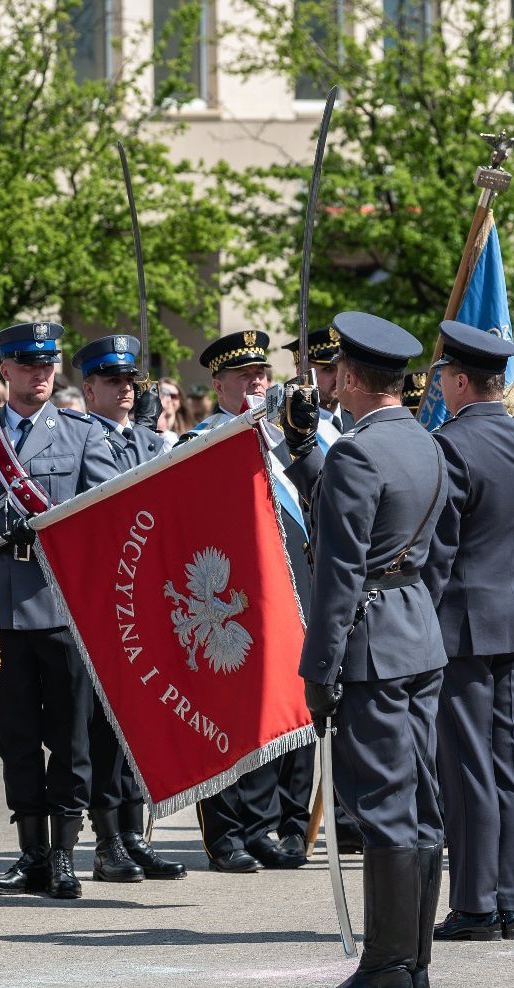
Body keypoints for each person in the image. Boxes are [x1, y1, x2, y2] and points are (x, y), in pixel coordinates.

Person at [299, 312, 448, 988]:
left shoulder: (355, 454)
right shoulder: (423, 442)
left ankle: (388, 974)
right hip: (416, 633)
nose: (331, 382)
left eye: (335, 373)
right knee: (418, 809)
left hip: (370, 646)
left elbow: (337, 573)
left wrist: (318, 669)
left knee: (385, 810)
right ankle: (410, 971)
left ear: (354, 377)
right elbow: (434, 554)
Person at [0, 321, 118, 899]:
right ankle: (30, 854)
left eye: (48, 365)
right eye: (27, 364)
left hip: (62, 608)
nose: (40, 374)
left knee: (70, 740)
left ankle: (65, 853)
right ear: (5, 370)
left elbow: (105, 517)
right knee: (15, 737)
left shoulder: (83, 433)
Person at [420, 322, 514, 942]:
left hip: (460, 624)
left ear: (462, 380)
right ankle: (507, 900)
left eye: (444, 375)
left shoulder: (449, 445)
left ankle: (474, 905)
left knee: (466, 768)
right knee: (505, 766)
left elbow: (438, 550)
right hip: (510, 617)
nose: (439, 385)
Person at [189, 329, 321, 873]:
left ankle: (278, 825)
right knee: (232, 712)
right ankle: (228, 832)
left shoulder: (295, 436)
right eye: (245, 377)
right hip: (233, 599)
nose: (258, 383)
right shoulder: (200, 441)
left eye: (262, 374)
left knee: (294, 709)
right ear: (218, 384)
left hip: (296, 591)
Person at [71, 333, 188, 884]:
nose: (125, 389)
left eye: (130, 381)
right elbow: (114, 506)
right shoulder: (81, 440)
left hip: (146, 601)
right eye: (113, 381)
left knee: (138, 722)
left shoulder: (147, 438)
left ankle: (135, 834)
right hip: (104, 603)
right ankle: (107, 839)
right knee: (103, 727)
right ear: (88, 388)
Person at [156, 378, 185, 445]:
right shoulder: (149, 424)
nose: (168, 399)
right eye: (163, 394)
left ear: (180, 400)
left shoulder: (188, 429)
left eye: (173, 396)